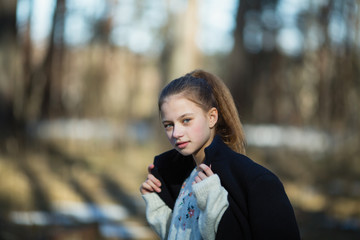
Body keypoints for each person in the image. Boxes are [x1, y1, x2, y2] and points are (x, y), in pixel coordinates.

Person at [140, 69, 300, 240]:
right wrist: (157, 204)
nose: (176, 133)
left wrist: (213, 203)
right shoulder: (186, 179)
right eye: (168, 125)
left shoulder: (256, 182)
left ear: (212, 117)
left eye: (186, 120)